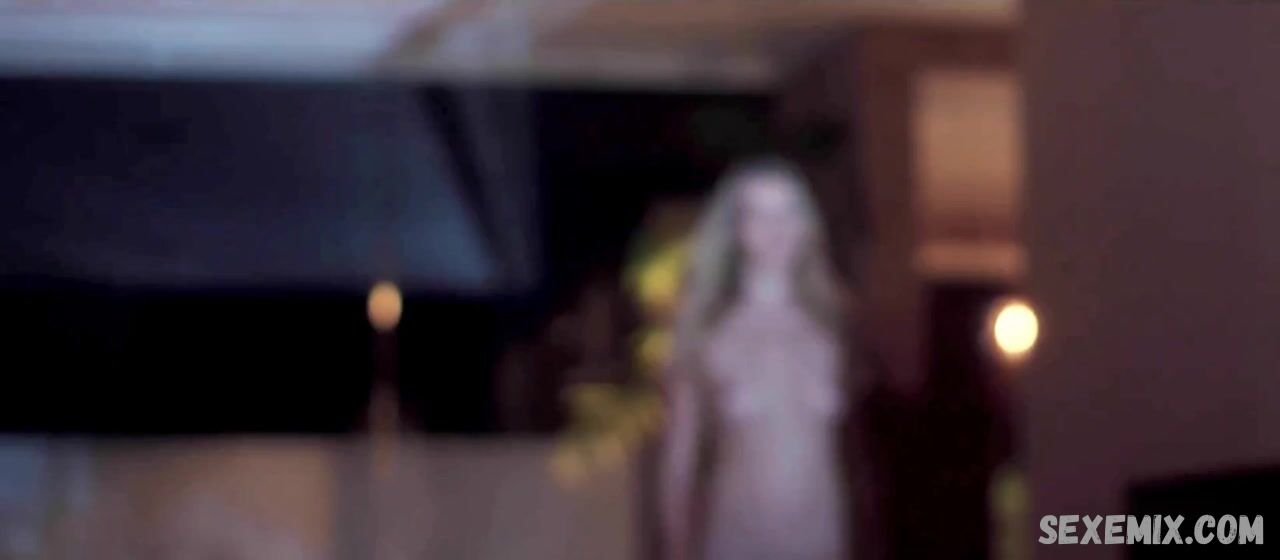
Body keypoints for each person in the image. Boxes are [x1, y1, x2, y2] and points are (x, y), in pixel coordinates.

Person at [660, 157, 854, 560]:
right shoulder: (708, 335)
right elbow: (679, 467)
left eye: (788, 212)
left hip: (821, 547)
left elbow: (847, 464)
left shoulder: (828, 329)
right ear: (737, 230)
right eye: (760, 215)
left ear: (806, 225)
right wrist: (677, 550)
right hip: (735, 546)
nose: (776, 230)